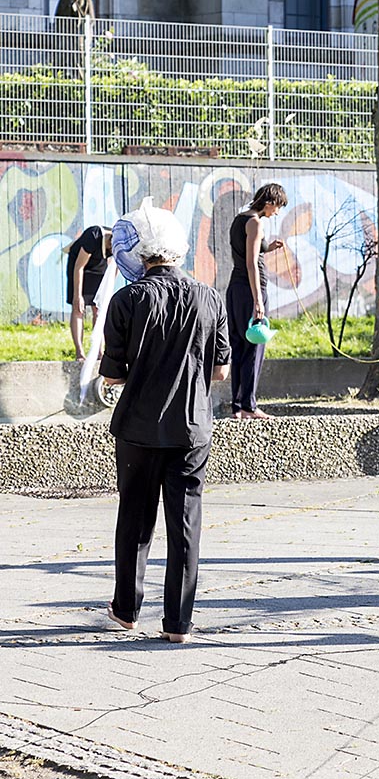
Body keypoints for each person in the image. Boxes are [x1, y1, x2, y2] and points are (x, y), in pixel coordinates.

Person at [99, 209, 230, 644]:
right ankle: (178, 624)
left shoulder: (126, 300)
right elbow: (221, 371)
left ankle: (126, 611)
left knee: (135, 520)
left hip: (138, 426)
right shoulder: (209, 297)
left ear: (138, 251)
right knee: (186, 524)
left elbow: (112, 375)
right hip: (192, 427)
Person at [226, 183, 287, 419]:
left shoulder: (240, 219)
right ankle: (249, 406)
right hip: (251, 289)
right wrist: (258, 300)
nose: (277, 212)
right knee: (255, 344)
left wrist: (267, 248)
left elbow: (246, 252)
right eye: (278, 207)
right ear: (269, 203)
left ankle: (238, 406)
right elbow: (251, 263)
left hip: (236, 288)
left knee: (239, 345)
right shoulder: (255, 222)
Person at [64, 225, 112, 360]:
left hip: (99, 267)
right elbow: (79, 267)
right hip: (79, 266)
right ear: (110, 242)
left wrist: (105, 292)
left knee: (99, 310)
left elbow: (114, 271)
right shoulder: (93, 236)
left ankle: (99, 351)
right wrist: (78, 296)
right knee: (78, 308)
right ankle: (79, 352)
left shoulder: (120, 244)